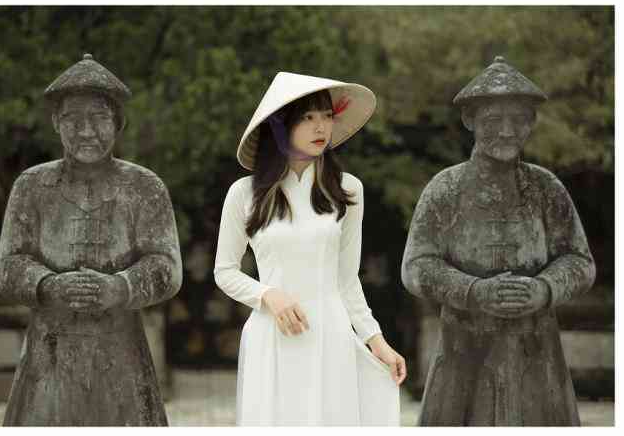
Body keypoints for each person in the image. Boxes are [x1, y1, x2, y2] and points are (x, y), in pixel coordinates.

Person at [401, 56, 596, 426]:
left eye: (519, 120)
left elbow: (579, 260)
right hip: (464, 352)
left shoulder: (546, 189)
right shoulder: (446, 189)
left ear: (531, 123)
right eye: (493, 120)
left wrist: (544, 288)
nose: (507, 131)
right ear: (470, 121)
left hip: (537, 353)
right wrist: (474, 290)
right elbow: (416, 266)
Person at [0, 54, 183, 426]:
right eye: (72, 119)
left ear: (118, 122)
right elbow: (8, 265)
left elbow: (166, 265)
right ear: (55, 123)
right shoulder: (31, 187)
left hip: (122, 352)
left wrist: (120, 286)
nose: (85, 131)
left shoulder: (145, 187)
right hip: (47, 356)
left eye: (98, 118)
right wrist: (49, 285)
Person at [214, 72, 406, 425]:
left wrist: (377, 342)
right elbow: (224, 271)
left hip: (331, 335)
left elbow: (347, 281)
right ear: (280, 125)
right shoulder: (244, 193)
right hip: (272, 334)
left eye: (327, 116)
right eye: (308, 117)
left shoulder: (348, 191)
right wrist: (268, 294)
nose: (321, 127)